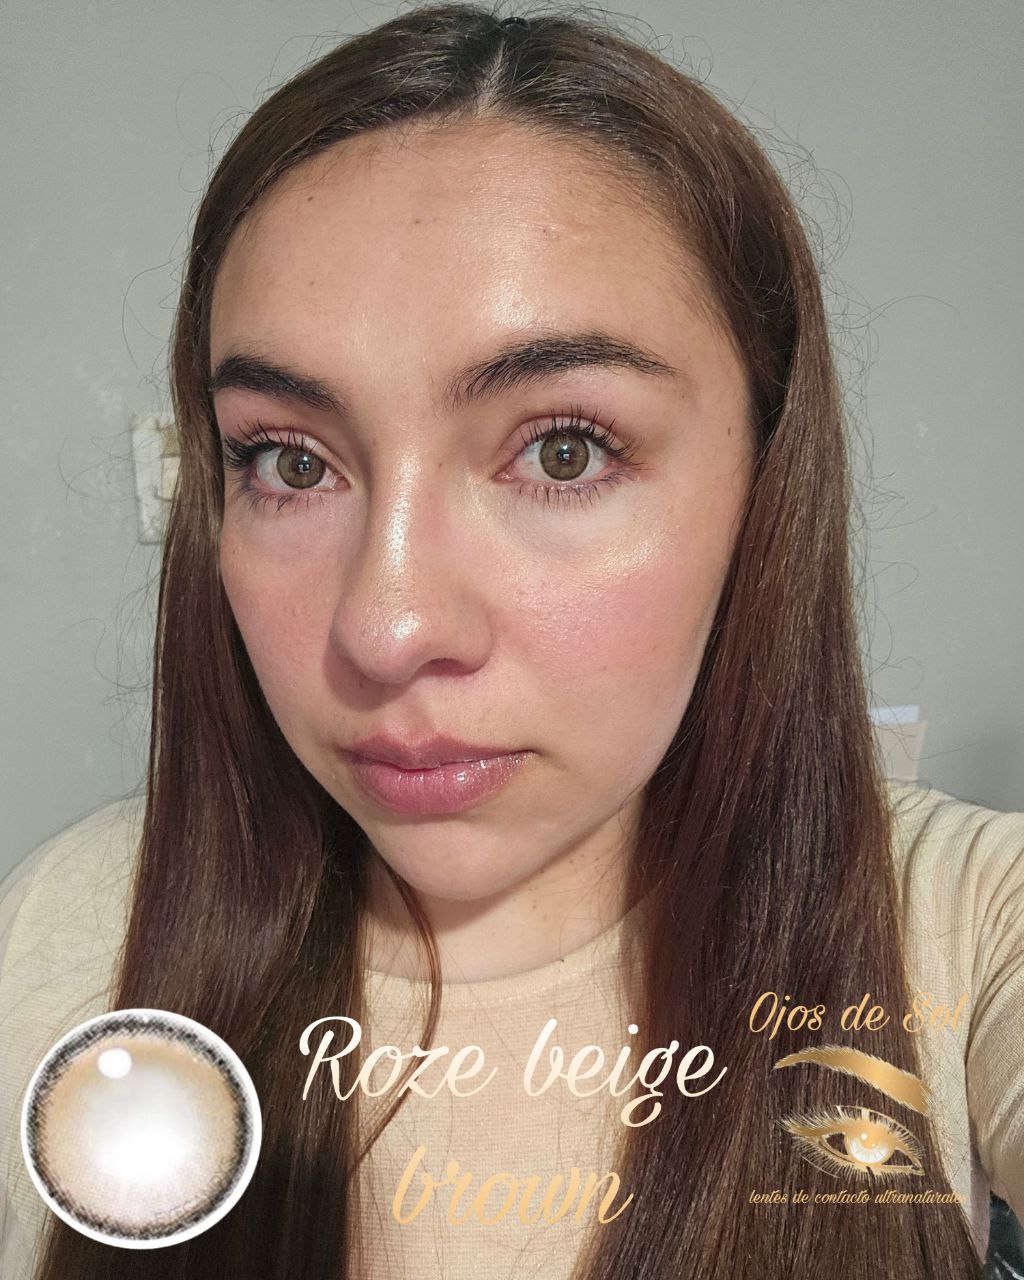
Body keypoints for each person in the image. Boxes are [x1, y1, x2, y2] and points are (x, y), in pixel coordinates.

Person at [1, 4, 1021, 1278]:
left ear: (764, 486)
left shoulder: (964, 922)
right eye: (289, 461)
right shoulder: (71, 929)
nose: (386, 628)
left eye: (564, 451)